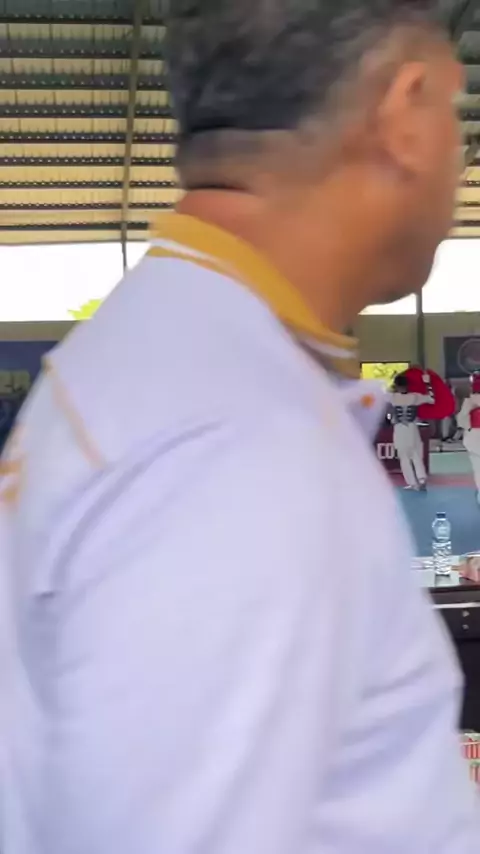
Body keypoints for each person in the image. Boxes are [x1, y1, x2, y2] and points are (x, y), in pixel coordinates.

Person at [0, 3, 477, 853]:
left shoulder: (179, 362)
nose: (461, 155)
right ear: (404, 113)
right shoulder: (232, 447)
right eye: (452, 109)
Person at [389, 372, 434, 490]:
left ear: (396, 386)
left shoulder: (392, 397)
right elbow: (431, 398)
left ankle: (412, 483)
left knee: (404, 457)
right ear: (407, 385)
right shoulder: (415, 396)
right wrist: (427, 384)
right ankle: (422, 478)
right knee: (416, 454)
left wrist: (392, 386)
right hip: (412, 428)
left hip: (399, 429)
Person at [457, 372, 480, 505]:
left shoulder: (469, 401)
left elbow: (462, 420)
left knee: (478, 467)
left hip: (474, 436)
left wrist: (468, 426)